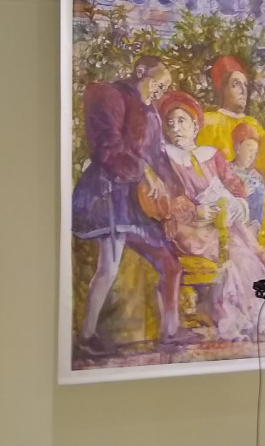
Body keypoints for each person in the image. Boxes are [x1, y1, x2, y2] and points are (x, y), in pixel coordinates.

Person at [71, 56, 185, 356]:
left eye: (165, 87)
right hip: (111, 194)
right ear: (140, 73)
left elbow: (159, 156)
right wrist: (143, 172)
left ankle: (170, 332)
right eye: (158, 84)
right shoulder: (112, 97)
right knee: (108, 268)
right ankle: (86, 336)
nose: (160, 91)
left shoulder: (153, 115)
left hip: (141, 203)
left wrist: (176, 194)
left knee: (170, 263)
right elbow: (109, 147)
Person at [157, 91, 265, 344]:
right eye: (171, 123)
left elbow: (231, 182)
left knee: (263, 256)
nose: (176, 128)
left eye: (182, 121)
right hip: (191, 228)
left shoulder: (212, 154)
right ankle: (233, 323)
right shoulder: (166, 158)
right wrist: (195, 212)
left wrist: (238, 200)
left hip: (224, 222)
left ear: (195, 125)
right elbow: (168, 197)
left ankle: (256, 320)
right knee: (239, 258)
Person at [196, 55, 265, 249]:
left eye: (245, 85)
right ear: (222, 89)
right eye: (235, 84)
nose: (243, 90)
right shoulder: (207, 122)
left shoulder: (253, 125)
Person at [229, 122, 265, 233]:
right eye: (250, 150)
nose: (252, 157)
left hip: (245, 235)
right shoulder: (222, 170)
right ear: (237, 147)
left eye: (255, 153)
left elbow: (256, 218)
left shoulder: (256, 181)